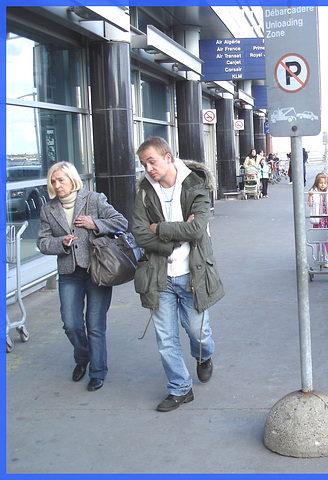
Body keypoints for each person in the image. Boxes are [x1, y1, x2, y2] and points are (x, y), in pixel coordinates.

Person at [132, 137, 225, 412]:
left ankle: (204, 356)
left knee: (199, 333)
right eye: (143, 164)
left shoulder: (196, 185)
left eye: (152, 161)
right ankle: (180, 389)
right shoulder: (144, 193)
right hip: (159, 277)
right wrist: (174, 238)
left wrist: (158, 229)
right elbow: (138, 233)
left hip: (192, 275)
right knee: (166, 338)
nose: (148, 168)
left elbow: (196, 231)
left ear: (168, 157)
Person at [37, 162, 128, 391]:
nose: (57, 185)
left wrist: (94, 223)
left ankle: (97, 372)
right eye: (53, 181)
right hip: (69, 273)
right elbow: (42, 242)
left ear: (72, 179)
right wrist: (61, 243)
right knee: (71, 324)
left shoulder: (93, 199)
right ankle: (83, 357)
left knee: (95, 325)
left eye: (61, 180)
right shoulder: (49, 209)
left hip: (97, 270)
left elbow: (121, 222)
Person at [308, 172, 328, 268]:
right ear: (317, 183)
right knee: (319, 239)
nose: (322, 185)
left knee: (327, 239)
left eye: (324, 183)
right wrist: (310, 195)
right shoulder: (314, 192)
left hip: (327, 220)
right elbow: (310, 204)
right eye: (320, 183)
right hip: (318, 219)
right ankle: (321, 256)